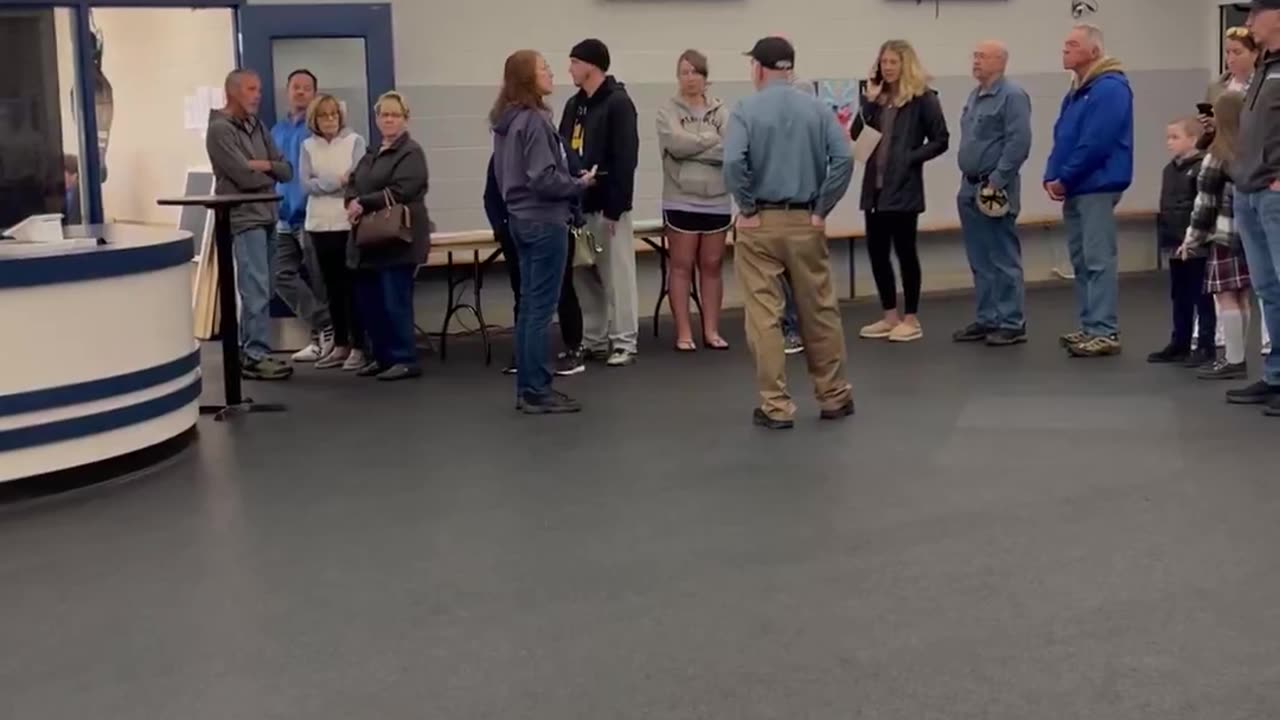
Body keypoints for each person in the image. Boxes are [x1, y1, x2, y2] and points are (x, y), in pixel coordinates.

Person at [724, 36, 855, 430]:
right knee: (820, 310)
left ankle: (776, 405)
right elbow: (844, 158)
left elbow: (733, 162)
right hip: (804, 221)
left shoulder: (745, 109)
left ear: (759, 69)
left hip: (760, 223)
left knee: (764, 316)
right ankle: (833, 395)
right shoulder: (817, 108)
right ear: (790, 68)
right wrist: (821, 209)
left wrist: (746, 206)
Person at [492, 50, 596, 414]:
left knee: (529, 309)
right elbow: (542, 177)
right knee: (540, 309)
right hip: (544, 221)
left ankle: (529, 386)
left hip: (519, 219)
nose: (551, 72)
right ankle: (537, 389)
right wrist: (577, 184)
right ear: (526, 78)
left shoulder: (507, 122)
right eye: (543, 68)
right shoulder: (534, 121)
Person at [852, 40, 950, 343]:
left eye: (893, 62)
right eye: (883, 62)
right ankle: (889, 315)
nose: (887, 68)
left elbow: (940, 139)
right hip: (875, 190)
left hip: (904, 189)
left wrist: (910, 157)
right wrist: (868, 102)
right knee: (877, 253)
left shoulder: (924, 99)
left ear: (905, 64)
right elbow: (857, 134)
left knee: (905, 253)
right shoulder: (876, 98)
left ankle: (911, 318)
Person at [1044, 23, 1134, 358]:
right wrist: (1051, 174)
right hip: (1076, 186)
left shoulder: (1110, 88)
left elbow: (1096, 142)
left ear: (1093, 51)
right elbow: (1062, 135)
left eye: (1072, 44)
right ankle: (1090, 326)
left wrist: (1064, 177)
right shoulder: (1078, 89)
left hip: (1096, 184)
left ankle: (1105, 330)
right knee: (1082, 261)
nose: (1064, 49)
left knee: (1098, 260)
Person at [206, 69, 294, 381]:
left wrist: (266, 166)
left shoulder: (256, 125)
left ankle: (251, 351)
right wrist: (262, 173)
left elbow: (287, 170)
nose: (258, 94)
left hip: (269, 213)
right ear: (232, 92)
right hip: (245, 218)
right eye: (251, 89)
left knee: (266, 286)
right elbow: (242, 176)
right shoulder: (220, 130)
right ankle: (255, 355)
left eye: (258, 88)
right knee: (254, 287)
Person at [560, 39, 641, 368]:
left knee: (616, 276)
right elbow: (563, 146)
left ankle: (624, 341)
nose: (570, 69)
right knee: (585, 275)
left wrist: (615, 207)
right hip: (580, 206)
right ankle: (593, 338)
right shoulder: (574, 105)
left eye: (574, 63)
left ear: (590, 65)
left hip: (608, 208)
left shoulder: (619, 103)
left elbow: (626, 158)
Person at [345, 91, 430, 382]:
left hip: (397, 239)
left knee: (395, 301)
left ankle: (404, 358)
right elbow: (354, 182)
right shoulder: (371, 153)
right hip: (369, 240)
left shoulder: (411, 153)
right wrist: (351, 200)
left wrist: (363, 203)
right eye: (384, 115)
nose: (389, 120)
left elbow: (403, 190)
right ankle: (381, 357)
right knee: (371, 302)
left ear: (405, 119)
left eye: (395, 115)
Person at [954, 40, 1032, 347]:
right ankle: (988, 317)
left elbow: (1019, 143)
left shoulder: (1012, 97)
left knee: (1002, 255)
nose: (975, 61)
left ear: (1000, 61)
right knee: (980, 257)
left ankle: (1012, 322)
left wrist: (997, 181)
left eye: (982, 57)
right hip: (969, 186)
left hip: (995, 188)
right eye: (974, 56)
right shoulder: (975, 96)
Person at [1200, 26, 1270, 356]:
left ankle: (1269, 340)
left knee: (1266, 276)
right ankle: (1227, 343)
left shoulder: (1267, 83)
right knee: (1228, 279)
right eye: (1227, 52)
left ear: (1255, 53)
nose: (1231, 58)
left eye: (1237, 52)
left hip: (1260, 175)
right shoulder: (1218, 87)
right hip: (1227, 171)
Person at [486, 153, 589, 377]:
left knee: (562, 289)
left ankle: (574, 347)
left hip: (556, 225)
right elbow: (491, 194)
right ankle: (525, 353)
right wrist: (500, 227)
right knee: (522, 293)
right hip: (516, 229)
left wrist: (573, 214)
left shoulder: (557, 146)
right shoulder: (503, 153)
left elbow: (569, 183)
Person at [657, 49, 732, 352]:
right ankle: (684, 333)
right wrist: (709, 140)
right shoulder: (667, 111)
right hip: (681, 199)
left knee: (712, 265)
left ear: (705, 77)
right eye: (684, 72)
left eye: (695, 72)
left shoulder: (722, 111)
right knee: (681, 265)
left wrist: (694, 147)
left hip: (717, 199)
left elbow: (730, 150)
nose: (690, 78)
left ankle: (711, 330)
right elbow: (674, 144)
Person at [1227, 0, 1280, 415]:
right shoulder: (1264, 66)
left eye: (1253, 15)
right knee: (1267, 290)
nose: (1246, 23)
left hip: (1274, 193)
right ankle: (1276, 376)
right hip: (1248, 191)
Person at [1177, 92, 1254, 380]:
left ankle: (1233, 360)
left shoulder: (1216, 156)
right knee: (1243, 296)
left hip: (1222, 237)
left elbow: (1205, 203)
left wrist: (1191, 238)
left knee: (1225, 298)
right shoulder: (1252, 152)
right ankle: (1240, 354)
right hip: (1249, 236)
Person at [300, 93, 368, 371]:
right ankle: (340, 344)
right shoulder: (307, 146)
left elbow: (357, 178)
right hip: (318, 224)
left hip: (346, 223)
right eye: (323, 115)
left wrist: (328, 182)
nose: (329, 120)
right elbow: (306, 184)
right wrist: (335, 181)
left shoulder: (355, 142)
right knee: (331, 287)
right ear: (314, 119)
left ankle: (359, 346)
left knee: (352, 287)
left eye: (333, 115)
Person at [270, 68, 334, 364]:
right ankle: (326, 325)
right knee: (280, 276)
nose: (300, 91)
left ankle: (324, 341)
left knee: (319, 279)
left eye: (307, 87)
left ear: (314, 93)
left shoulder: (318, 132)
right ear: (287, 91)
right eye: (295, 86)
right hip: (281, 218)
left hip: (310, 215)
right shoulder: (276, 131)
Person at [1149, 118, 1212, 365]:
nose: (1169, 143)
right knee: (1180, 294)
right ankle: (1180, 342)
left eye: (1175, 137)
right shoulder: (1169, 170)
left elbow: (1202, 204)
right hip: (1174, 240)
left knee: (1202, 295)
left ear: (1193, 140)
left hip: (1196, 243)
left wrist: (1194, 236)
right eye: (1168, 138)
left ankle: (1205, 344)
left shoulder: (1202, 167)